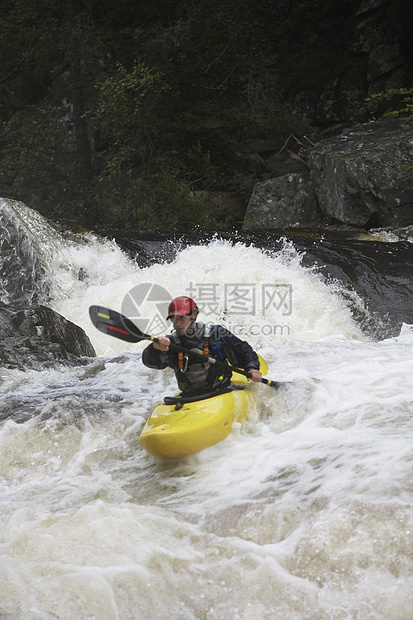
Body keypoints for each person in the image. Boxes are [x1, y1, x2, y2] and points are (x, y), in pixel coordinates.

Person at [142, 295, 263, 394]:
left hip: (223, 390)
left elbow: (244, 350)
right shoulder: (170, 343)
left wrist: (252, 368)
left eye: (181, 318)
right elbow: (152, 363)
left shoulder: (215, 334)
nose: (176, 324)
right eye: (173, 319)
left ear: (194, 315)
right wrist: (154, 348)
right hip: (189, 396)